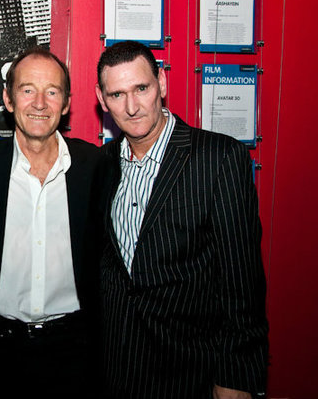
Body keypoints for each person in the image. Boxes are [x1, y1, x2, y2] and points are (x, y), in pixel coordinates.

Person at [94, 41, 268, 399]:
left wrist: (235, 377)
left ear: (162, 82)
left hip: (192, 374)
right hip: (117, 370)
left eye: (141, 88)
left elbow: (242, 282)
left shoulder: (219, 158)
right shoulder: (101, 164)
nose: (131, 106)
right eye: (117, 94)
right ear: (101, 99)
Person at [0, 47, 106, 398]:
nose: (40, 103)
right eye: (27, 90)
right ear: (8, 99)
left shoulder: (95, 168)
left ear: (66, 103)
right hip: (0, 354)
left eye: (52, 91)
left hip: (76, 352)